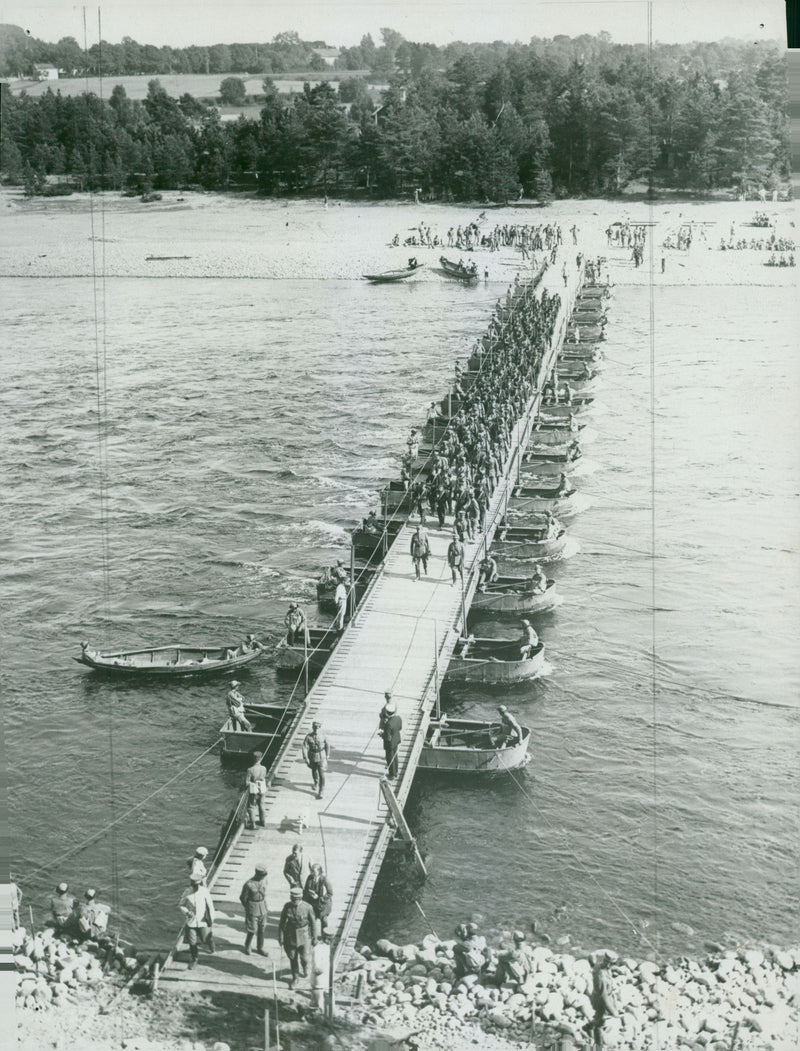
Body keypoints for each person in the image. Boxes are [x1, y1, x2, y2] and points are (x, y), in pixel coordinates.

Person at [279, 886, 316, 989]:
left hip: (303, 934)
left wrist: (314, 937)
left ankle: (305, 967)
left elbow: (313, 923)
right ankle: (295, 977)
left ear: (300, 898)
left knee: (304, 957)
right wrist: (280, 936)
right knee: (292, 957)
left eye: (296, 899)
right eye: (292, 899)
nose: (294, 901)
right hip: (290, 935)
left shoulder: (308, 907)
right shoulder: (287, 907)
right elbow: (282, 923)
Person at [179, 877, 215, 969]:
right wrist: (187, 912)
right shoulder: (187, 892)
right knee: (192, 942)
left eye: (197, 885)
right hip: (191, 921)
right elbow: (181, 905)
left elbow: (210, 906)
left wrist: (211, 920)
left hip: (203, 921)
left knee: (205, 939)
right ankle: (194, 959)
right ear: (191, 884)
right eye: (194, 885)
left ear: (199, 884)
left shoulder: (205, 891)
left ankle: (210, 943)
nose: (195, 887)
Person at [240, 864, 269, 955]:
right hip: (252, 908)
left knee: (262, 929)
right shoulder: (249, 884)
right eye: (262, 875)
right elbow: (242, 898)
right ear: (257, 874)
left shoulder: (264, 881)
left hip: (263, 907)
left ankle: (260, 947)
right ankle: (247, 945)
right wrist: (248, 907)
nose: (263, 877)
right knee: (252, 930)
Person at [303, 863, 333, 942]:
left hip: (323, 904)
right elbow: (305, 889)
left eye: (314, 871)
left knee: (324, 920)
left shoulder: (325, 880)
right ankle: (313, 937)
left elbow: (330, 893)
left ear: (319, 871)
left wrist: (320, 898)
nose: (312, 873)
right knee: (312, 919)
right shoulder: (310, 878)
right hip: (313, 903)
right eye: (312, 871)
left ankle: (325, 937)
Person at [302, 721, 330, 799]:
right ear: (312, 728)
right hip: (312, 756)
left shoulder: (323, 736)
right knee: (314, 770)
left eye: (317, 728)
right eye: (314, 728)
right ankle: (316, 782)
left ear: (320, 728)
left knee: (321, 774)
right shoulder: (308, 736)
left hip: (321, 756)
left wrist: (327, 755)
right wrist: (306, 758)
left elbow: (327, 745)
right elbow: (304, 747)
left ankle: (321, 791)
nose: (316, 729)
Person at [379, 700, 402, 780]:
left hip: (390, 744)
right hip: (396, 740)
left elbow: (387, 738)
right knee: (395, 756)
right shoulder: (398, 718)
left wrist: (382, 734)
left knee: (389, 758)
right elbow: (400, 728)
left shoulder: (388, 724)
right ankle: (396, 771)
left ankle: (392, 774)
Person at [246, 751, 267, 829]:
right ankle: (263, 821)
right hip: (262, 790)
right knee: (261, 805)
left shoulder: (250, 770)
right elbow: (264, 777)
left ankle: (253, 824)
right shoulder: (264, 768)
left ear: (253, 759)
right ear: (260, 759)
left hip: (254, 791)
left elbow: (247, 783)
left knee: (251, 807)